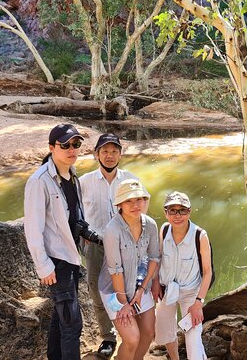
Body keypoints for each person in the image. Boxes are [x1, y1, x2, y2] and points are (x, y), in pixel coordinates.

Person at [24, 123, 85, 360]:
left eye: (76, 144)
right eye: (66, 145)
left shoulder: (71, 176)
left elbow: (73, 215)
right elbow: (33, 227)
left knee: (62, 320)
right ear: (52, 148)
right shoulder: (39, 181)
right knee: (72, 324)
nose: (72, 149)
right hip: (57, 263)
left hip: (71, 258)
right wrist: (43, 265)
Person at [80, 133, 139, 358]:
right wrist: (82, 235)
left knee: (126, 288)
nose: (109, 155)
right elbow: (75, 213)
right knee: (97, 290)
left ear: (120, 154)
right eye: (105, 151)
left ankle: (130, 330)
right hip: (95, 245)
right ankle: (108, 337)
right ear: (97, 154)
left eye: (114, 151)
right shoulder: (84, 182)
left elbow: (140, 209)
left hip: (124, 245)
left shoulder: (130, 179)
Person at [99, 179, 159, 360]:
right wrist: (124, 303)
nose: (135, 205)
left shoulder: (150, 225)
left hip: (141, 284)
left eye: (139, 199)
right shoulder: (112, 230)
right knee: (132, 338)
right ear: (120, 204)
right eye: (129, 201)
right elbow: (115, 270)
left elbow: (154, 258)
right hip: (115, 290)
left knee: (149, 333)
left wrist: (141, 290)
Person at [152, 191, 212, 360]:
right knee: (164, 332)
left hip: (191, 294)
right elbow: (159, 258)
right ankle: (174, 357)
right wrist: (156, 282)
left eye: (182, 210)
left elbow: (208, 272)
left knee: (193, 338)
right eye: (172, 210)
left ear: (189, 212)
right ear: (166, 213)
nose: (177, 215)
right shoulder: (164, 230)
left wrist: (198, 302)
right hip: (166, 290)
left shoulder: (200, 236)